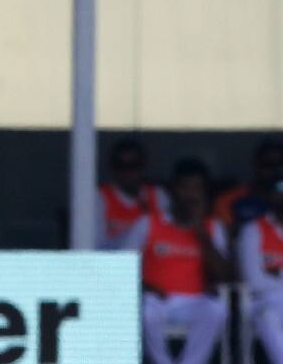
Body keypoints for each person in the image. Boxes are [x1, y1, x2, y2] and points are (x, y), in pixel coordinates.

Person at [120, 158, 231, 364]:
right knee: (146, 310)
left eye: (196, 189)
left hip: (193, 301)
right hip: (157, 299)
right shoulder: (148, 222)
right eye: (184, 188)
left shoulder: (212, 226)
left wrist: (200, 232)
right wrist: (146, 286)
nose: (190, 195)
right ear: (172, 190)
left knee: (217, 310)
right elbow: (121, 267)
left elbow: (223, 275)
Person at [237, 166, 283, 364]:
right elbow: (254, 280)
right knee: (268, 316)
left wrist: (277, 274)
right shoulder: (253, 230)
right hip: (265, 302)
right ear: (270, 195)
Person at [97, 139, 168, 249]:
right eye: (121, 165)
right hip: (113, 263)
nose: (127, 172)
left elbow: (169, 238)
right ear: (112, 167)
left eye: (133, 165)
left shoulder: (158, 195)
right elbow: (95, 246)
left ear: (143, 167)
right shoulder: (100, 196)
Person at [214, 139, 283, 234]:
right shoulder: (230, 199)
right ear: (256, 165)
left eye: (280, 165)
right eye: (269, 164)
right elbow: (224, 236)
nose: (275, 171)